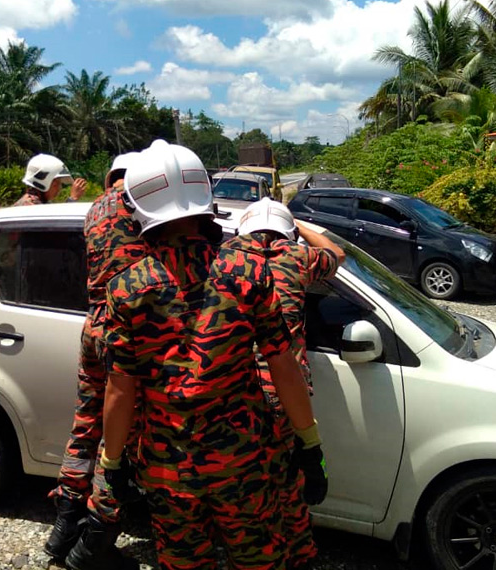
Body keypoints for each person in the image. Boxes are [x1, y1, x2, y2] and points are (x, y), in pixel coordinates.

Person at [100, 140, 329, 570]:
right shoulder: (247, 272)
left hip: (169, 471)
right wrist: (309, 443)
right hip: (245, 464)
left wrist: (112, 462)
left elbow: (120, 389)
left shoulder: (126, 290)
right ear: (205, 198)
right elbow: (283, 364)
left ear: (139, 207)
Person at [45, 153, 143, 570]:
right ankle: (95, 544)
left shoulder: (95, 209)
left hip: (93, 326)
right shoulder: (140, 202)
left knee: (86, 423)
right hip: (124, 325)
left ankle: (64, 523)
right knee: (119, 437)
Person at [238, 198, 344, 569]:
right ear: (288, 232)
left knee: (245, 482)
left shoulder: (226, 260)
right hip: (285, 394)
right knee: (288, 480)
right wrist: (301, 227)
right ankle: (298, 554)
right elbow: (337, 255)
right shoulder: (298, 258)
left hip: (234, 392)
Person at [14, 153, 87, 206]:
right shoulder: (30, 205)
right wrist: (73, 198)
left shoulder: (38, 201)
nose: (59, 188)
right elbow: (59, 221)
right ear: (46, 182)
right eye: (57, 184)